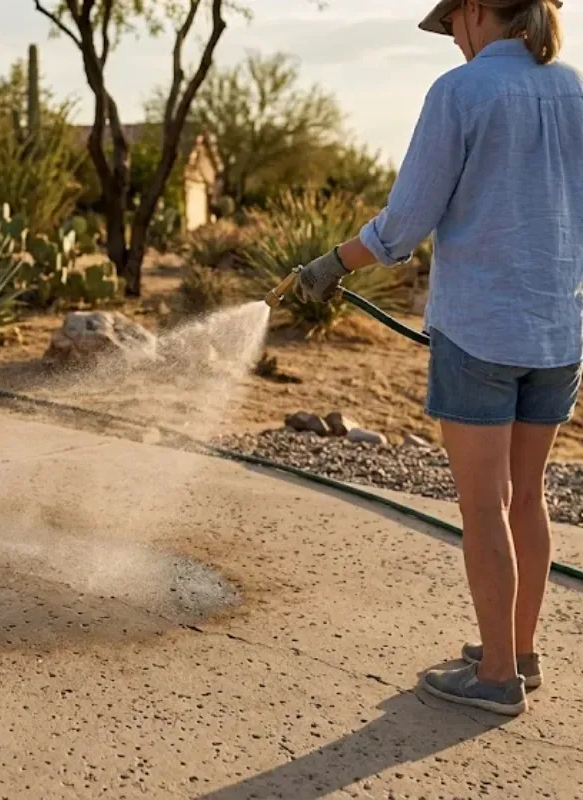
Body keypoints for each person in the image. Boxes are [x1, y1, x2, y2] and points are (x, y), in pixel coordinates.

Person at [297, 0, 582, 717]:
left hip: (481, 332)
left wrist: (332, 262)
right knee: (528, 496)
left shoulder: (461, 93)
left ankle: (493, 680)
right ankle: (516, 652)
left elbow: (405, 222)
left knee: (485, 505)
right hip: (558, 333)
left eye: (453, 24)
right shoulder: (575, 88)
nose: (453, 39)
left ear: (476, 12)